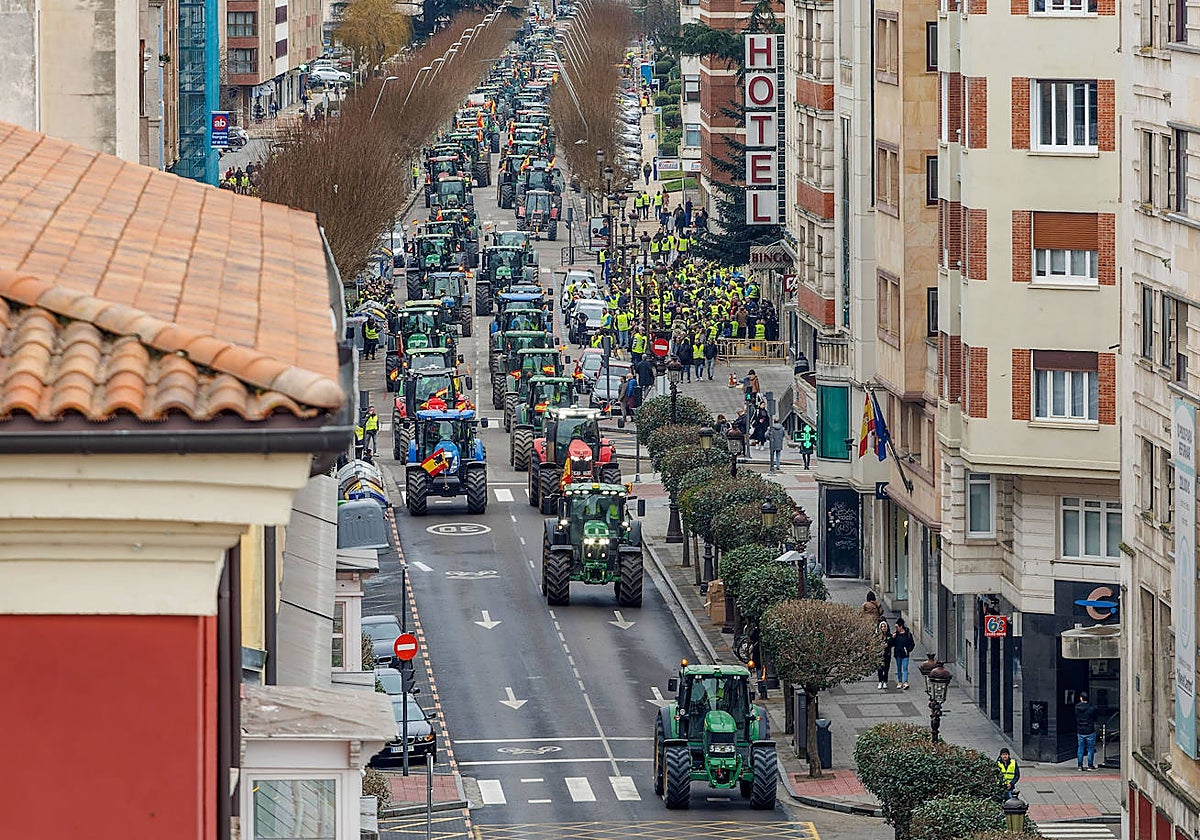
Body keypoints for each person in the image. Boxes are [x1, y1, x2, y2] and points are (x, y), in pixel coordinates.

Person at [1076, 691, 1098, 771]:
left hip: (1080, 730)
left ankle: (1079, 766)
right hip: (1089, 730)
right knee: (1090, 749)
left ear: (1081, 698)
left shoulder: (1077, 707)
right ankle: (1090, 765)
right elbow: (1095, 718)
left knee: (1080, 748)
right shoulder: (1091, 708)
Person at [892, 617, 914, 689]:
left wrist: (907, 650)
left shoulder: (908, 634)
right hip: (897, 654)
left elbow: (912, 644)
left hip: (905, 654)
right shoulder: (896, 634)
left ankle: (905, 682)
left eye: (897, 627)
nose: (896, 628)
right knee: (898, 668)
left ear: (901, 626)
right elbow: (892, 644)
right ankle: (900, 681)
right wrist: (892, 638)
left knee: (905, 668)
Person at [876, 618, 893, 690]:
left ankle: (885, 681)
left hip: (887, 654)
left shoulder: (889, 635)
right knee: (880, 668)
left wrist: (888, 644)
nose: (883, 628)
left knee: (886, 668)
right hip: (879, 654)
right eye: (882, 627)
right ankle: (880, 681)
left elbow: (892, 643)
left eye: (884, 626)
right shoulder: (877, 636)